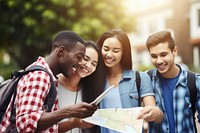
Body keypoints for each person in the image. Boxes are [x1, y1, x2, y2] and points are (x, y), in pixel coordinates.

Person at [0, 30, 97, 132]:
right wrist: (69, 111)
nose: (80, 63)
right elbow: (26, 124)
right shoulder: (40, 76)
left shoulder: (48, 77)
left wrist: (74, 123)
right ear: (61, 52)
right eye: (79, 57)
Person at [96, 29, 163, 133]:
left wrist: (155, 112)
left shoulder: (140, 78)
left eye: (116, 51)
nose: (109, 54)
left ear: (124, 52)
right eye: (106, 49)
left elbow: (157, 116)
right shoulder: (94, 80)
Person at [145, 30, 200, 133]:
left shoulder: (195, 81)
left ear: (174, 51)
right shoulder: (145, 79)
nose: (159, 61)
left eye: (163, 54)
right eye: (154, 56)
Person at [57, 40, 106, 133]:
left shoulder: (87, 91)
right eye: (86, 59)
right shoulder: (51, 82)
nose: (88, 66)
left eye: (94, 64)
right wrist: (73, 123)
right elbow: (38, 126)